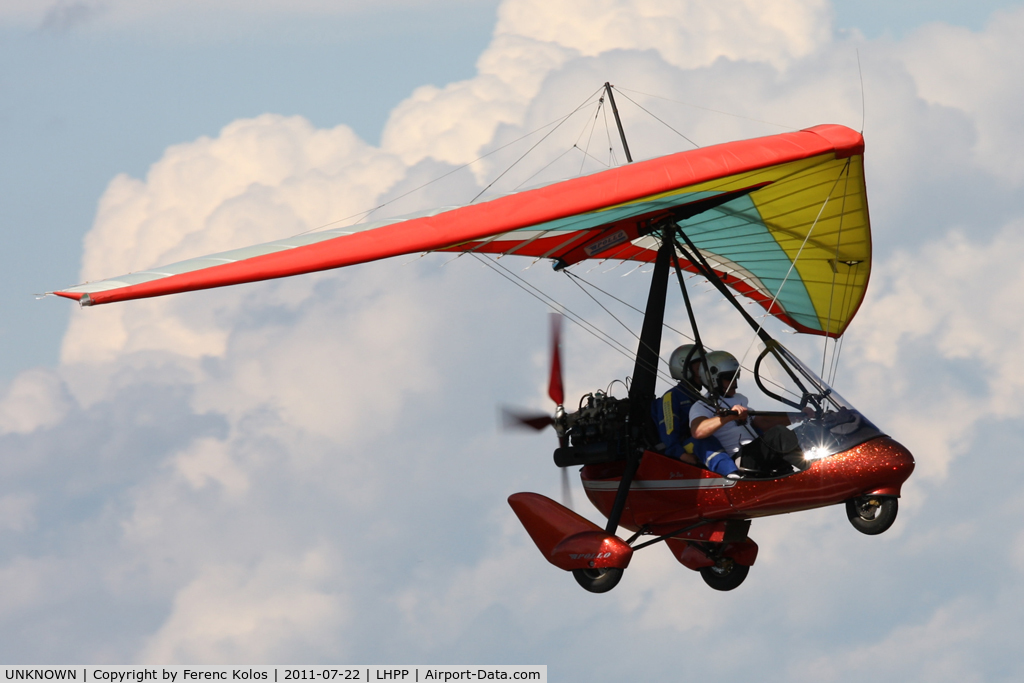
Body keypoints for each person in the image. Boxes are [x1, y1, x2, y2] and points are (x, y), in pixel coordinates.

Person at [688, 350, 807, 478]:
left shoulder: (740, 399)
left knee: (803, 433)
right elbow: (697, 431)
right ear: (713, 379)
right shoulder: (701, 406)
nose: (735, 383)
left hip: (758, 454)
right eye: (729, 378)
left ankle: (804, 476)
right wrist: (728, 417)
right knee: (778, 433)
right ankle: (809, 470)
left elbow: (764, 423)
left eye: (736, 376)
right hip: (741, 460)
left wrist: (798, 416)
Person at [652, 344, 735, 474]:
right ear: (685, 368)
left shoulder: (703, 398)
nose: (704, 371)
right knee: (704, 440)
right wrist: (681, 454)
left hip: (703, 442)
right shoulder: (672, 396)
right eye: (699, 367)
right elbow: (668, 430)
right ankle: (732, 474)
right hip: (687, 446)